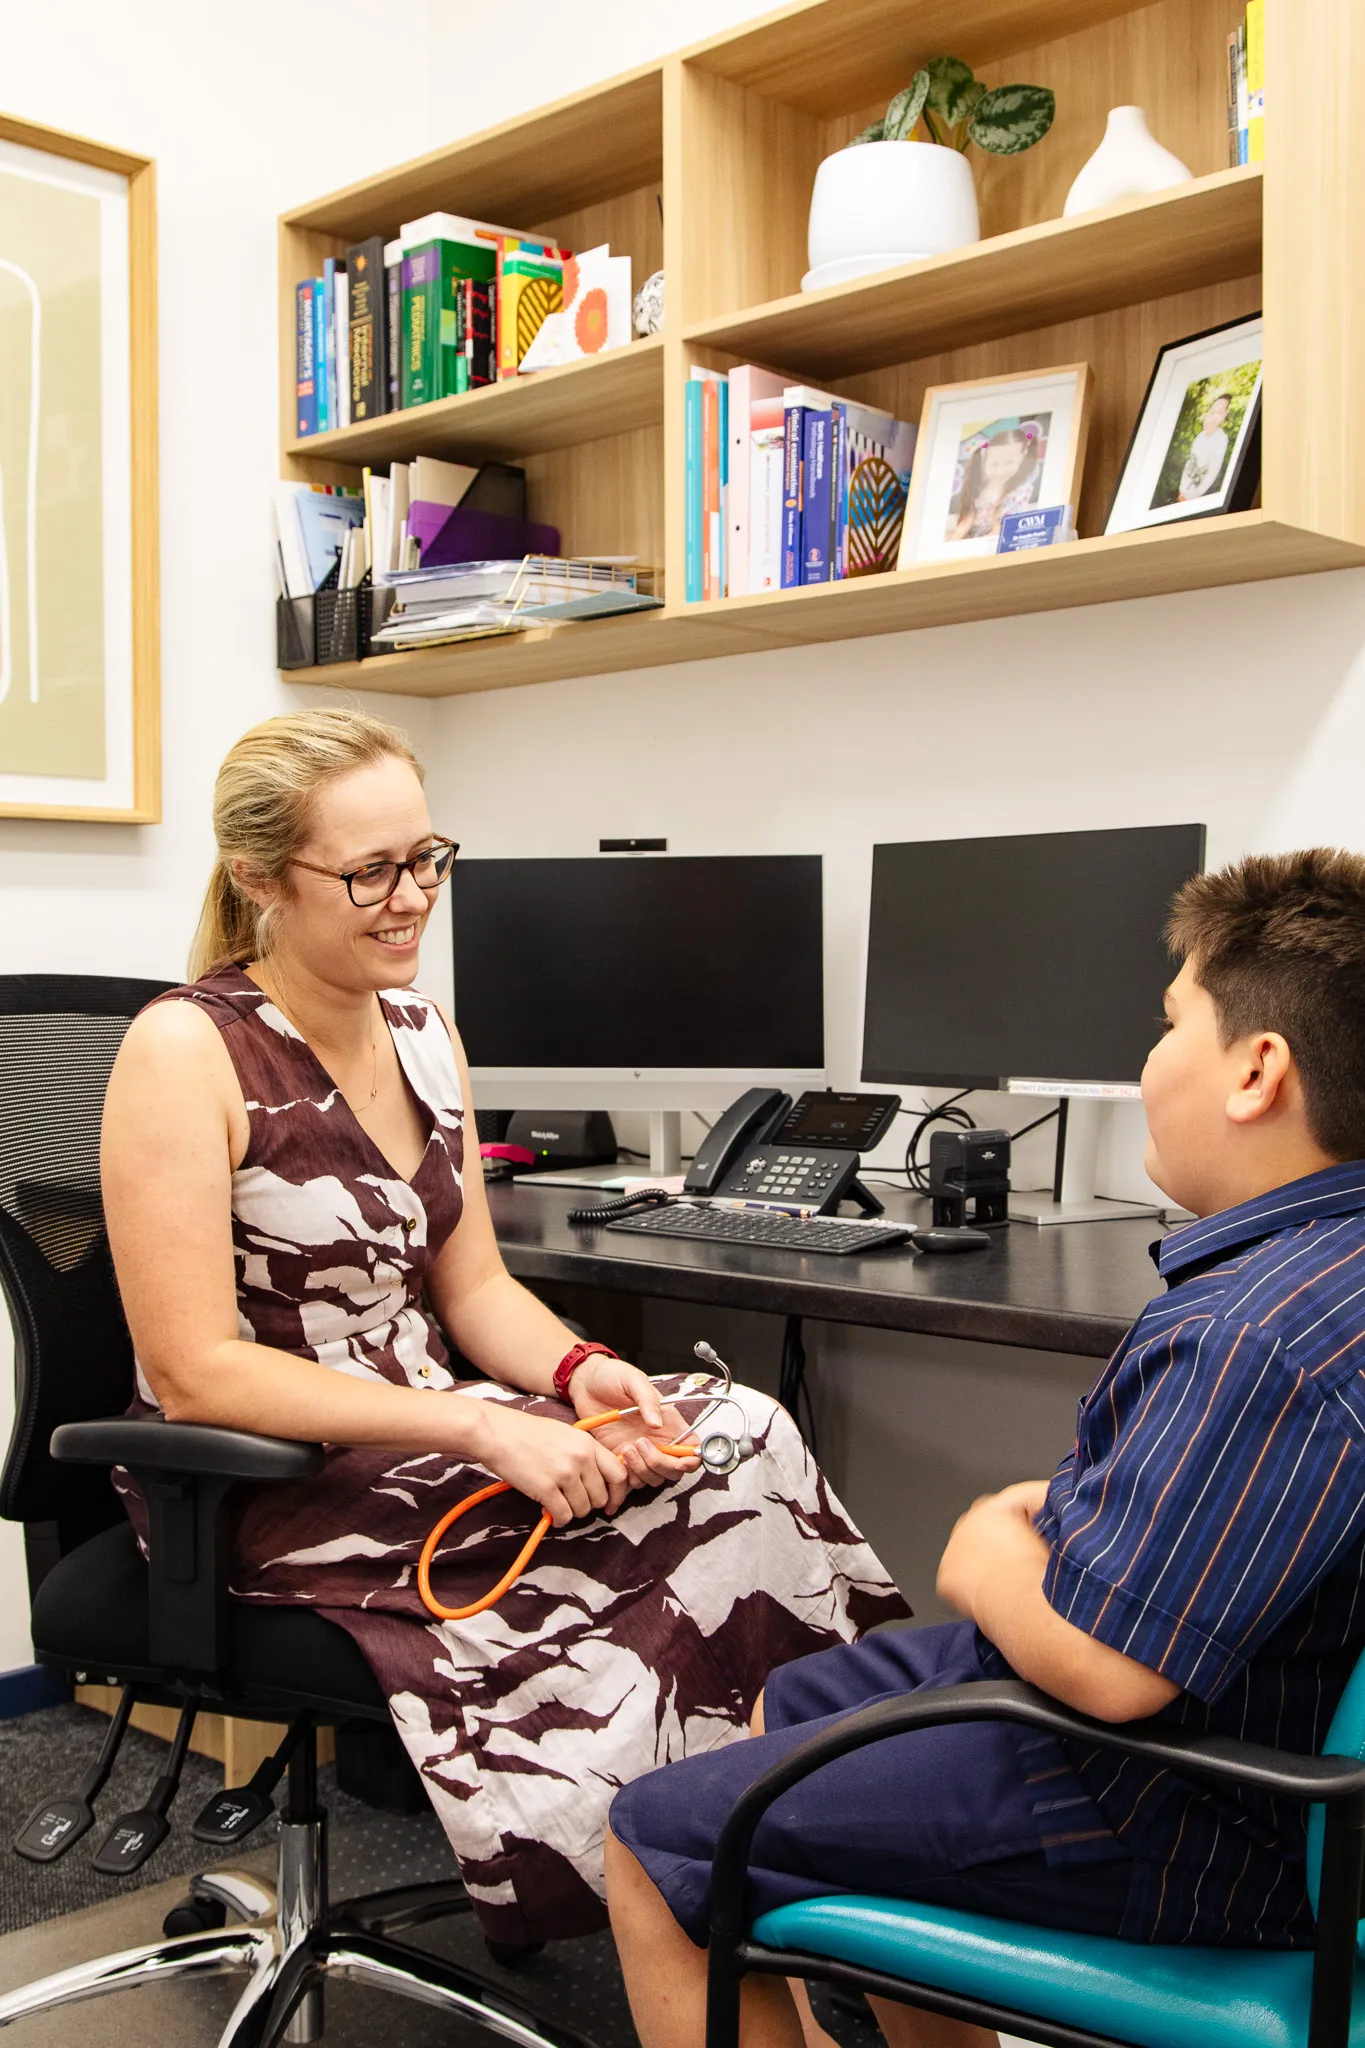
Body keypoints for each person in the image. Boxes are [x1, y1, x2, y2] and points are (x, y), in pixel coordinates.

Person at [100, 707, 909, 1950]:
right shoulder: (184, 1049)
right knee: (627, 1546)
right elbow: (194, 1371)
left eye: (427, 858)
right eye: (369, 871)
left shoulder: (423, 1031)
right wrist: (484, 1428)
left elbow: (472, 1291)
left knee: (734, 1434)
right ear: (263, 876)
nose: (411, 896)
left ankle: (787, 1853)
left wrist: (587, 1373)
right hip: (273, 1477)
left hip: (435, 1432)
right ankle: (663, 1889)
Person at [607, 847, 1365, 2048]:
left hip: (1195, 1805)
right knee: (789, 1703)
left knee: (659, 1838)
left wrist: (986, 1551)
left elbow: (1117, 1675)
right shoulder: (1325, 1273)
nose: (1147, 1057)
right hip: (1251, 1742)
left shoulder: (1253, 1332)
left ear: (1257, 1068)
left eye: (1171, 1024)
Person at [948, 425, 1041, 541]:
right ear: (985, 462)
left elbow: (1001, 528)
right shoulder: (980, 487)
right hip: (973, 538)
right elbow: (967, 519)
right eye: (994, 464)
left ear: (1022, 457)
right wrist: (953, 541)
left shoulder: (1020, 492)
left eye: (1009, 462)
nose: (1001, 471)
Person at [1176, 389, 1232, 501]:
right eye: (1212, 411)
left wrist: (1192, 496)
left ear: (1224, 416)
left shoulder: (1220, 439)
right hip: (1182, 492)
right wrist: (1181, 492)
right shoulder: (1200, 437)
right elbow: (1190, 463)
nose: (1214, 415)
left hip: (1192, 498)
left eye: (1219, 412)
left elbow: (1212, 473)